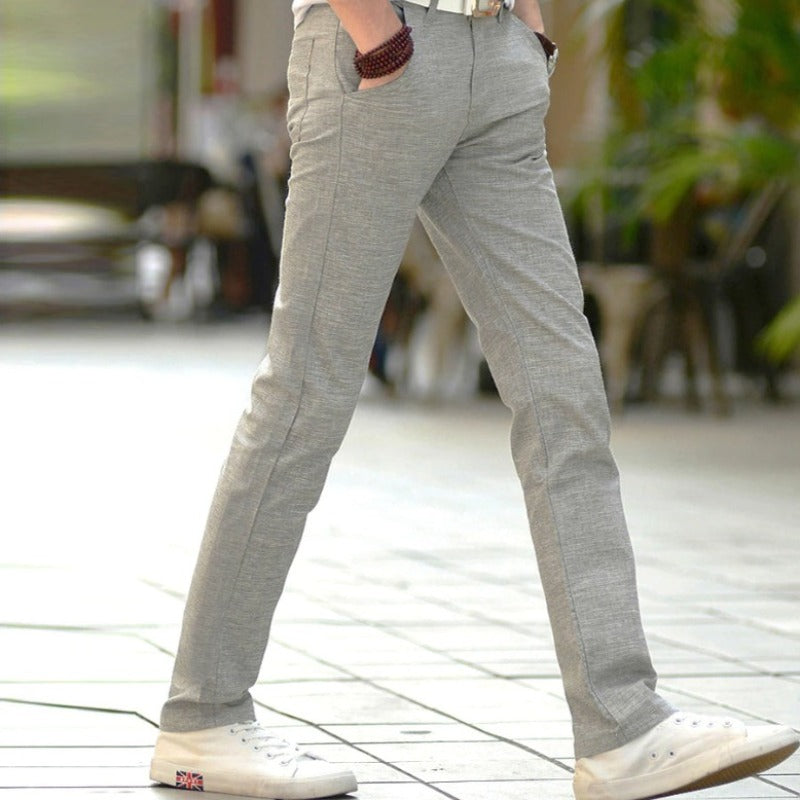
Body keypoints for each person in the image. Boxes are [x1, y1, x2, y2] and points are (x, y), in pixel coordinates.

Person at [150, 1, 799, 798]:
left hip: (495, 58)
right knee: (306, 390)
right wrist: (377, 36)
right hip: (381, 51)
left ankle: (623, 726)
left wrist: (526, 31)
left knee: (563, 386)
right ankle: (203, 718)